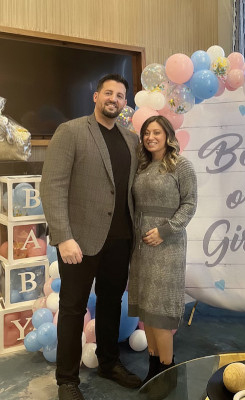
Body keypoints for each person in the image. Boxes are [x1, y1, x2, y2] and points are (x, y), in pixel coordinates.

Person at [40, 74, 141, 400]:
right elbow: (52, 186)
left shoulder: (130, 139)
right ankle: (67, 381)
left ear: (125, 103)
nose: (114, 99)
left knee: (112, 305)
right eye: (108, 93)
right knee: (72, 308)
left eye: (120, 95)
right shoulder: (70, 131)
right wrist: (63, 237)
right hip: (79, 242)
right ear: (96, 97)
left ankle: (109, 363)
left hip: (120, 239)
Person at [128, 115, 198, 384]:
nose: (150, 137)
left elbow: (189, 205)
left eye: (156, 132)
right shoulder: (143, 167)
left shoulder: (181, 166)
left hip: (167, 245)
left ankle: (168, 372)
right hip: (141, 246)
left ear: (168, 135)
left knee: (161, 311)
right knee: (147, 308)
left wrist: (165, 230)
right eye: (146, 133)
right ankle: (153, 367)